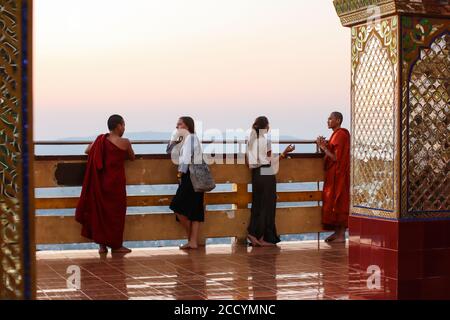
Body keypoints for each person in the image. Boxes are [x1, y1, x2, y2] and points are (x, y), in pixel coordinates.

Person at [75, 114, 135, 254]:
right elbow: (132, 157)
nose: (124, 128)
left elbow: (87, 150)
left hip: (101, 184)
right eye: (123, 125)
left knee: (101, 214)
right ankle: (116, 246)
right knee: (116, 215)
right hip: (116, 185)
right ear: (119, 126)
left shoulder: (100, 140)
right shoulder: (125, 142)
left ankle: (102, 247)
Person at [246, 116, 295, 247]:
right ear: (265, 127)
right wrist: (284, 153)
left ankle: (253, 233)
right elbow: (271, 161)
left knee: (257, 203)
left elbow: (249, 163)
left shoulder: (251, 140)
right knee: (267, 205)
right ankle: (261, 237)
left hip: (256, 174)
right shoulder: (266, 141)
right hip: (266, 173)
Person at [167, 116, 205, 250]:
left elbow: (186, 158)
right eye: (176, 125)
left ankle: (191, 238)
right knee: (195, 209)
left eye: (180, 124)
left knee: (177, 206)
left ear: (187, 126)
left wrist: (180, 174)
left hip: (190, 176)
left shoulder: (190, 138)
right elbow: (169, 150)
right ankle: (193, 241)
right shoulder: (187, 139)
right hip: (196, 176)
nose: (177, 127)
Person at [316, 112, 350, 243]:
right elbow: (329, 154)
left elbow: (335, 158)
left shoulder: (341, 134)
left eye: (331, 118)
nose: (328, 121)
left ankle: (341, 235)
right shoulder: (335, 135)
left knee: (338, 202)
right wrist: (323, 145)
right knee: (332, 202)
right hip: (333, 175)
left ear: (338, 120)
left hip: (339, 175)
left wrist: (323, 147)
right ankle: (337, 233)